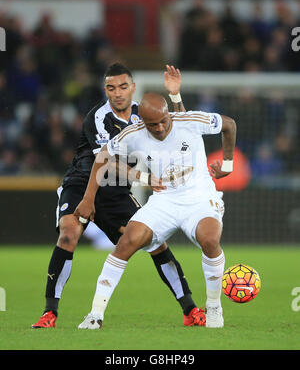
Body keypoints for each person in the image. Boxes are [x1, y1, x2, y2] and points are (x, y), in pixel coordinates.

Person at [32, 64, 206, 328]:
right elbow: (106, 162)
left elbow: (182, 129)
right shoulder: (98, 117)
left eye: (123, 87)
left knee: (155, 243)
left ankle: (190, 310)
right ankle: (49, 313)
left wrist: (175, 97)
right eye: (112, 88)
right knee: (68, 234)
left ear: (133, 88)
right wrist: (89, 199)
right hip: (82, 183)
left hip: (116, 192)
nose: (118, 93)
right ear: (106, 90)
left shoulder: (144, 114)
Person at [75, 92, 236, 329]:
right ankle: (95, 314)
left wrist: (228, 164)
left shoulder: (189, 121)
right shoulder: (133, 133)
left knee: (210, 240)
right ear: (142, 121)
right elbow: (103, 157)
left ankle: (213, 306)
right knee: (126, 242)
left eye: (163, 121)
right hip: (165, 200)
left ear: (168, 114)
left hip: (199, 197)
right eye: (153, 124)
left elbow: (229, 125)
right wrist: (89, 199)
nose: (160, 128)